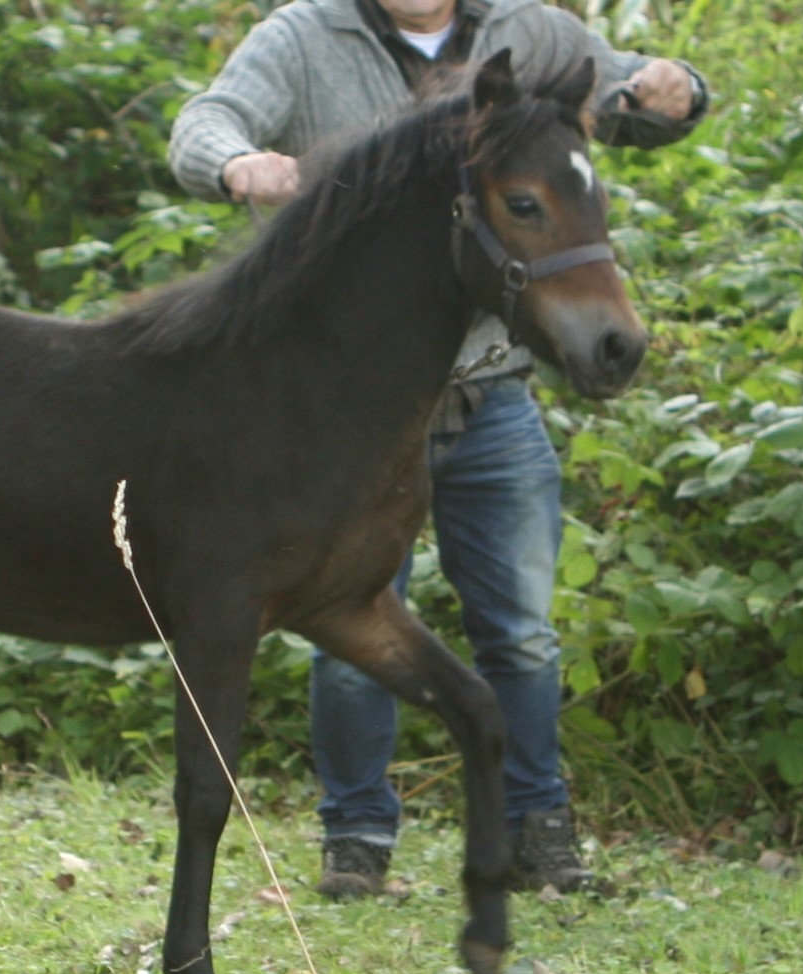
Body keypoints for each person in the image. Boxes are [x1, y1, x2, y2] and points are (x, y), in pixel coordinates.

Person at [168, 0, 708, 899]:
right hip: (353, 408)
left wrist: (679, 90)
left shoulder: (533, 32)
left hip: (492, 389)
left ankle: (540, 831)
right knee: (347, 622)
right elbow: (203, 121)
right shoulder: (305, 36)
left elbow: (625, 97)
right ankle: (357, 838)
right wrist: (236, 163)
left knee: (525, 633)